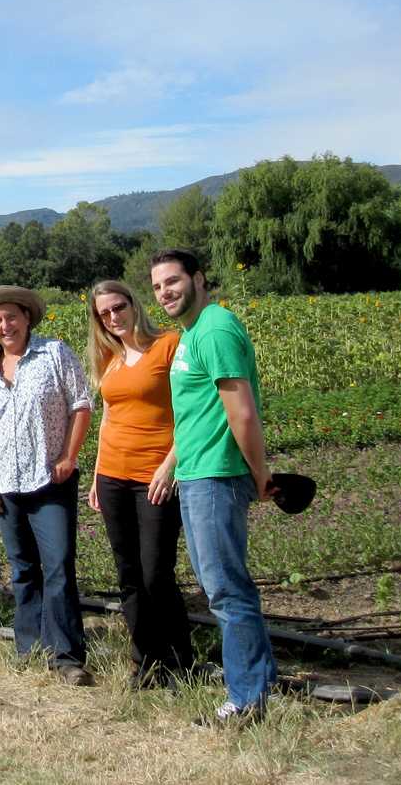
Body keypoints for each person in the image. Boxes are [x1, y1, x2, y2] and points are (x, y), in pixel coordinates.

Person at [150, 249, 279, 724]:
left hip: (217, 476)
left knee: (225, 589)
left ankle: (247, 700)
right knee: (222, 585)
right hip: (197, 473)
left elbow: (240, 410)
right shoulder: (191, 333)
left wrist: (259, 472)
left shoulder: (217, 328)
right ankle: (258, 685)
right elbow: (194, 417)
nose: (164, 292)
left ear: (199, 279)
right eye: (158, 286)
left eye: (173, 281)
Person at [0, 284, 93, 684]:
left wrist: (69, 457)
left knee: (58, 564)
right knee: (23, 568)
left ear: (27, 319)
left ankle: (66, 654)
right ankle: (30, 645)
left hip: (50, 479)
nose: (6, 326)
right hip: (5, 485)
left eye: (12, 317)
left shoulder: (54, 354)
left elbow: (81, 403)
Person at [84, 278, 194, 687]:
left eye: (118, 307)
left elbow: (193, 410)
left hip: (156, 476)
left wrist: (171, 464)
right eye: (105, 313)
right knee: (128, 573)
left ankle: (181, 662)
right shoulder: (109, 357)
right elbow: (108, 419)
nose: (114, 317)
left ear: (134, 303)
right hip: (114, 475)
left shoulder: (167, 346)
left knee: (156, 573)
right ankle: (147, 660)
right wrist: (97, 474)